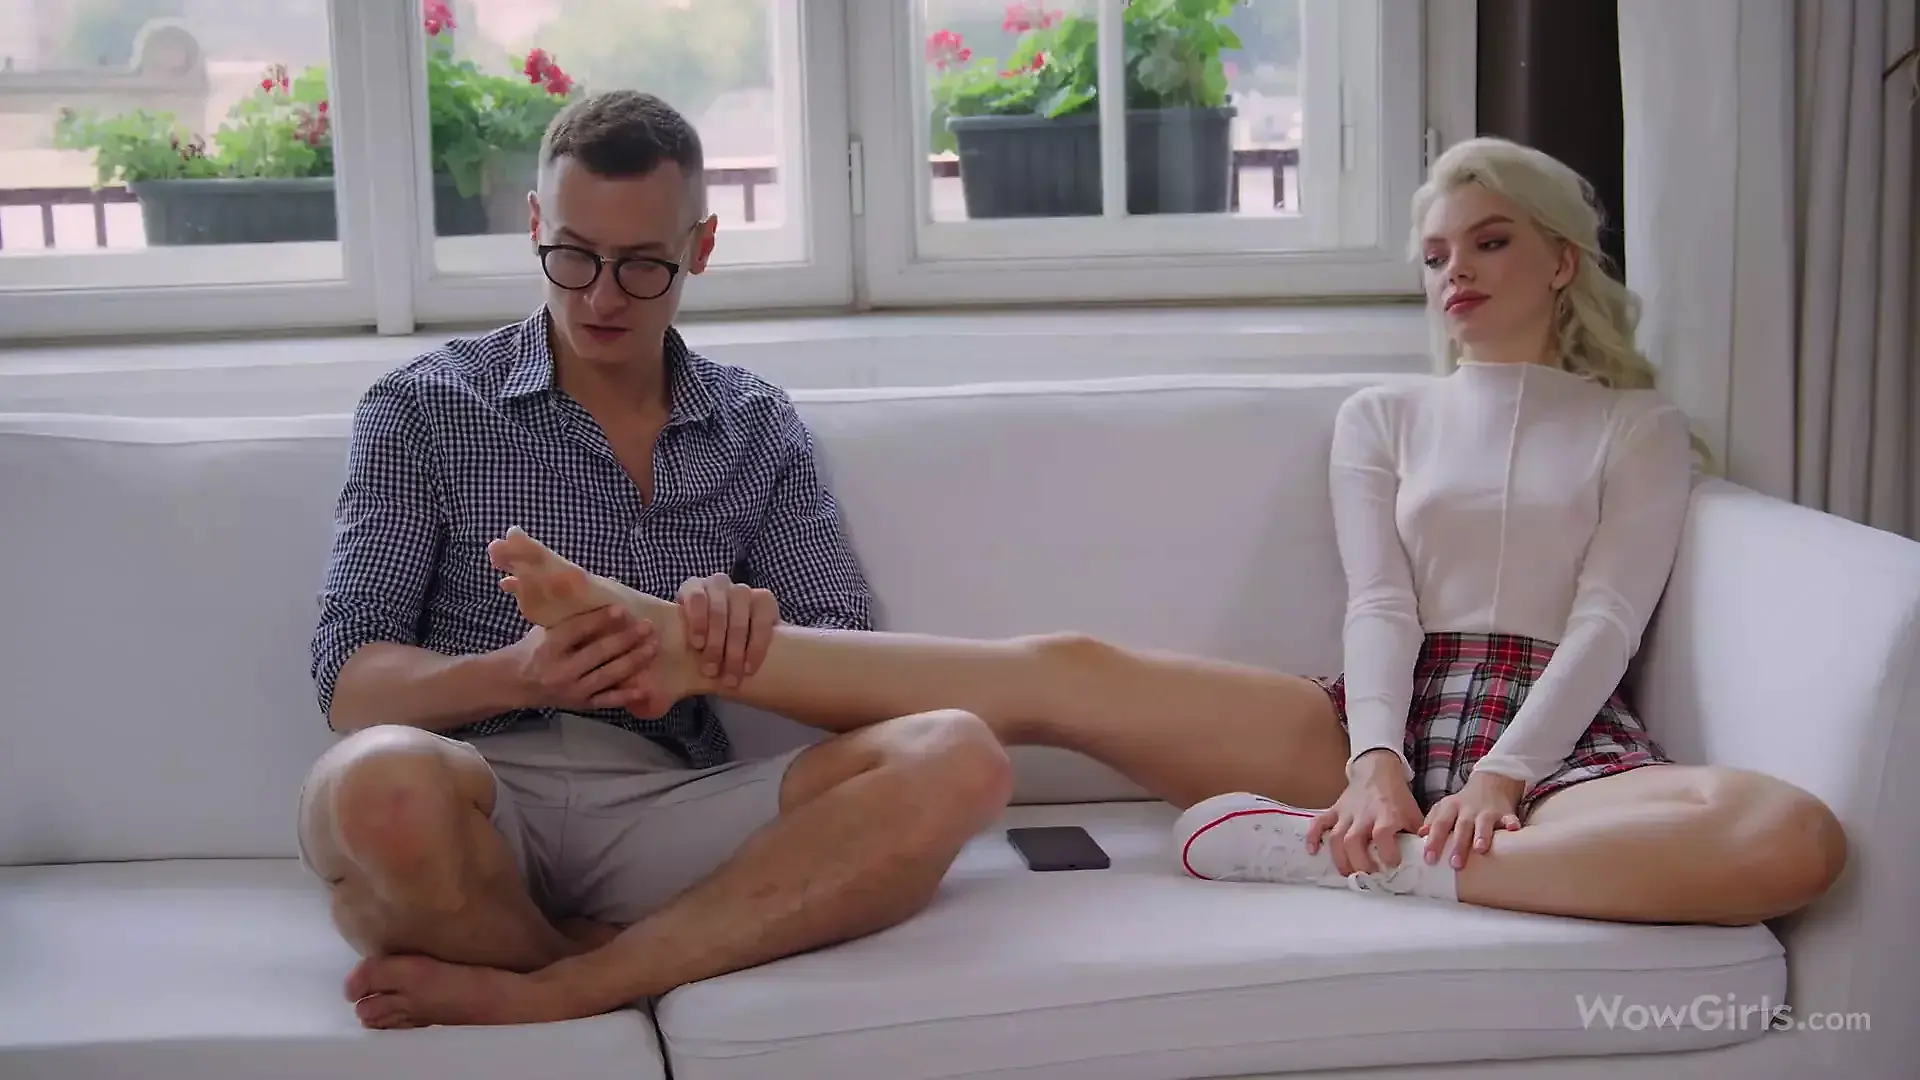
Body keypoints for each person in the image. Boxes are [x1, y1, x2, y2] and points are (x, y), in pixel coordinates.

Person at [342, 136, 1849, 1029]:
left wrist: (1502, 781)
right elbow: (1381, 604)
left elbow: (1608, 620)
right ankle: (685, 645)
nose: (1453, 271)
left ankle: (1332, 860)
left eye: (1489, 242)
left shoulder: (1643, 429)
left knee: (1786, 836)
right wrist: (1380, 758)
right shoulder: (1381, 413)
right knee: (1064, 664)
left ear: (1563, 261)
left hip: (1546, 755)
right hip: (1369, 736)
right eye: (1434, 250)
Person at [298, 90, 1016, 1030]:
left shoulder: (754, 424)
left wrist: (744, 637)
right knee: (379, 787)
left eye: (642, 265)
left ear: (700, 247)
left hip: (666, 800)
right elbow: (348, 683)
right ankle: (633, 962)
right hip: (472, 789)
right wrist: (521, 672)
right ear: (535, 225)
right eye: (573, 256)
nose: (601, 298)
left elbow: (853, 660)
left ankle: (560, 985)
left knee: (959, 754)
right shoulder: (424, 407)